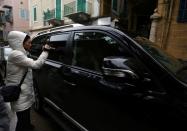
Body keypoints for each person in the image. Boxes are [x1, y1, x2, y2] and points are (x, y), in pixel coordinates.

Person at [6, 31, 52, 131]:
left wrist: (40, 48)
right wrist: (45, 51)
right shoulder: (16, 55)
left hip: (23, 94)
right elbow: (36, 65)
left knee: (25, 117)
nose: (30, 44)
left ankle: (27, 126)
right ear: (19, 42)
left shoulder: (22, 53)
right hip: (19, 95)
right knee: (22, 120)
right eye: (28, 42)